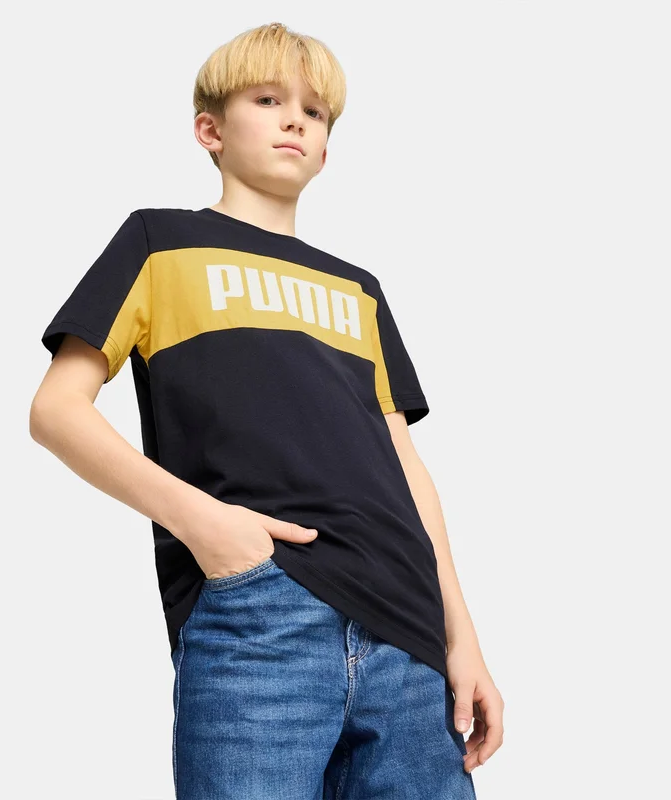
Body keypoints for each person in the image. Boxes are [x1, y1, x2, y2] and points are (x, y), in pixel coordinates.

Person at [30, 20, 503, 800]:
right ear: (209, 131)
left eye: (315, 112)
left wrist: (464, 637)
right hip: (260, 612)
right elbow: (56, 410)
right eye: (268, 100)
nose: (296, 121)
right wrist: (210, 527)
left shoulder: (359, 290)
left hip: (408, 633)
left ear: (327, 148)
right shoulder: (159, 243)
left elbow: (406, 466)